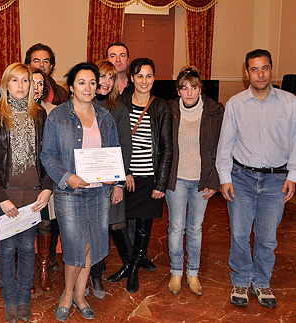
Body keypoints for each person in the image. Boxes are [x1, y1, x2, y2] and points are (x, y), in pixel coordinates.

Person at [41, 62, 122, 321]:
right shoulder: (58, 116)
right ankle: (67, 294)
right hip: (70, 192)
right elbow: (48, 155)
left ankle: (79, 295)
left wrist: (114, 178)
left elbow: (113, 152)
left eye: (92, 82)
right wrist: (68, 178)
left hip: (100, 194)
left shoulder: (105, 117)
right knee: (74, 246)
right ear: (72, 87)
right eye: (82, 82)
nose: (88, 88)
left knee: (91, 245)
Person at [216, 49, 296, 308]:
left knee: (267, 237)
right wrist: (225, 177)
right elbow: (225, 144)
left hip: (276, 181)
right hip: (242, 178)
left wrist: (293, 175)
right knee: (239, 234)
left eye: (265, 68)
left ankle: (262, 282)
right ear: (246, 72)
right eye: (254, 69)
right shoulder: (236, 104)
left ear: (271, 70)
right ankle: (240, 278)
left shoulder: (290, 102)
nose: (260, 74)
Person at [0, 63, 52, 323]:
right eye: (15, 81)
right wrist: (1, 196)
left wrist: (47, 188)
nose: (21, 86)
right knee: (7, 247)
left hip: (33, 195)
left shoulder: (40, 115)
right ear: (5, 84)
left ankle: (24, 296)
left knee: (27, 246)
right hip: (3, 195)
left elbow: (49, 155)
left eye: (25, 81)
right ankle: (10, 296)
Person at [165, 66, 224, 296]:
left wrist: (214, 180)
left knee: (196, 228)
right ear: (178, 90)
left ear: (201, 89)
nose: (189, 92)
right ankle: (176, 271)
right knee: (176, 227)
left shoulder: (215, 111)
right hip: (176, 179)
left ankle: (193, 272)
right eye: (184, 87)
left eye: (194, 87)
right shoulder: (169, 110)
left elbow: (221, 147)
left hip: (202, 180)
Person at [116, 58, 173, 294]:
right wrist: (125, 172)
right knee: (118, 224)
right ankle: (130, 263)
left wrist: (161, 182)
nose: (144, 81)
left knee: (142, 226)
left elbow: (167, 148)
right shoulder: (121, 104)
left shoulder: (161, 106)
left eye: (149, 76)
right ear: (131, 78)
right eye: (139, 76)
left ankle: (133, 271)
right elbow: (114, 142)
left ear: (154, 78)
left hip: (150, 176)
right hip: (127, 176)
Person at [25, 43, 70, 272]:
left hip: (47, 176)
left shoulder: (57, 105)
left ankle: (45, 263)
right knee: (23, 225)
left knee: (47, 222)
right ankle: (23, 265)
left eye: (45, 61)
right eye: (36, 61)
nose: (41, 66)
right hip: (21, 179)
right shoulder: (9, 110)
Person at [89, 60, 132, 299]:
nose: (105, 82)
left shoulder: (119, 109)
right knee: (92, 229)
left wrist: (118, 182)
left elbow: (125, 147)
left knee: (114, 225)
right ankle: (95, 274)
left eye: (110, 78)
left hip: (111, 179)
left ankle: (125, 265)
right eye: (101, 77)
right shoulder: (84, 105)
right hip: (88, 181)